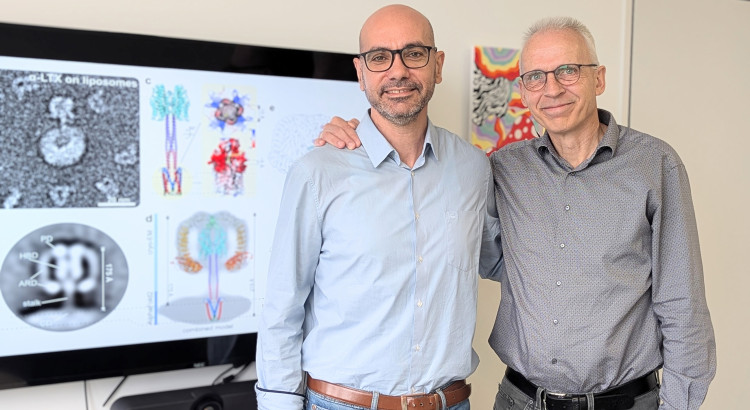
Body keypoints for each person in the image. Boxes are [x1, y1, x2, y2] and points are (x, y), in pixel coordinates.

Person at [317, 16, 716, 410]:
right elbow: (446, 222)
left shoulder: (655, 165)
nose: (553, 89)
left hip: (626, 402)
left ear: (599, 79)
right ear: (523, 93)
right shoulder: (500, 170)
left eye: (568, 70)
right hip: (519, 401)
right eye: (536, 77)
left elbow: (683, 305)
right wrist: (355, 134)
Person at [255, 5, 500, 410]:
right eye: (380, 57)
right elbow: (283, 306)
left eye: (414, 54)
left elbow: (505, 261)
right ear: (360, 71)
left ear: (437, 65)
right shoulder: (318, 172)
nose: (398, 71)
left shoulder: (475, 169)